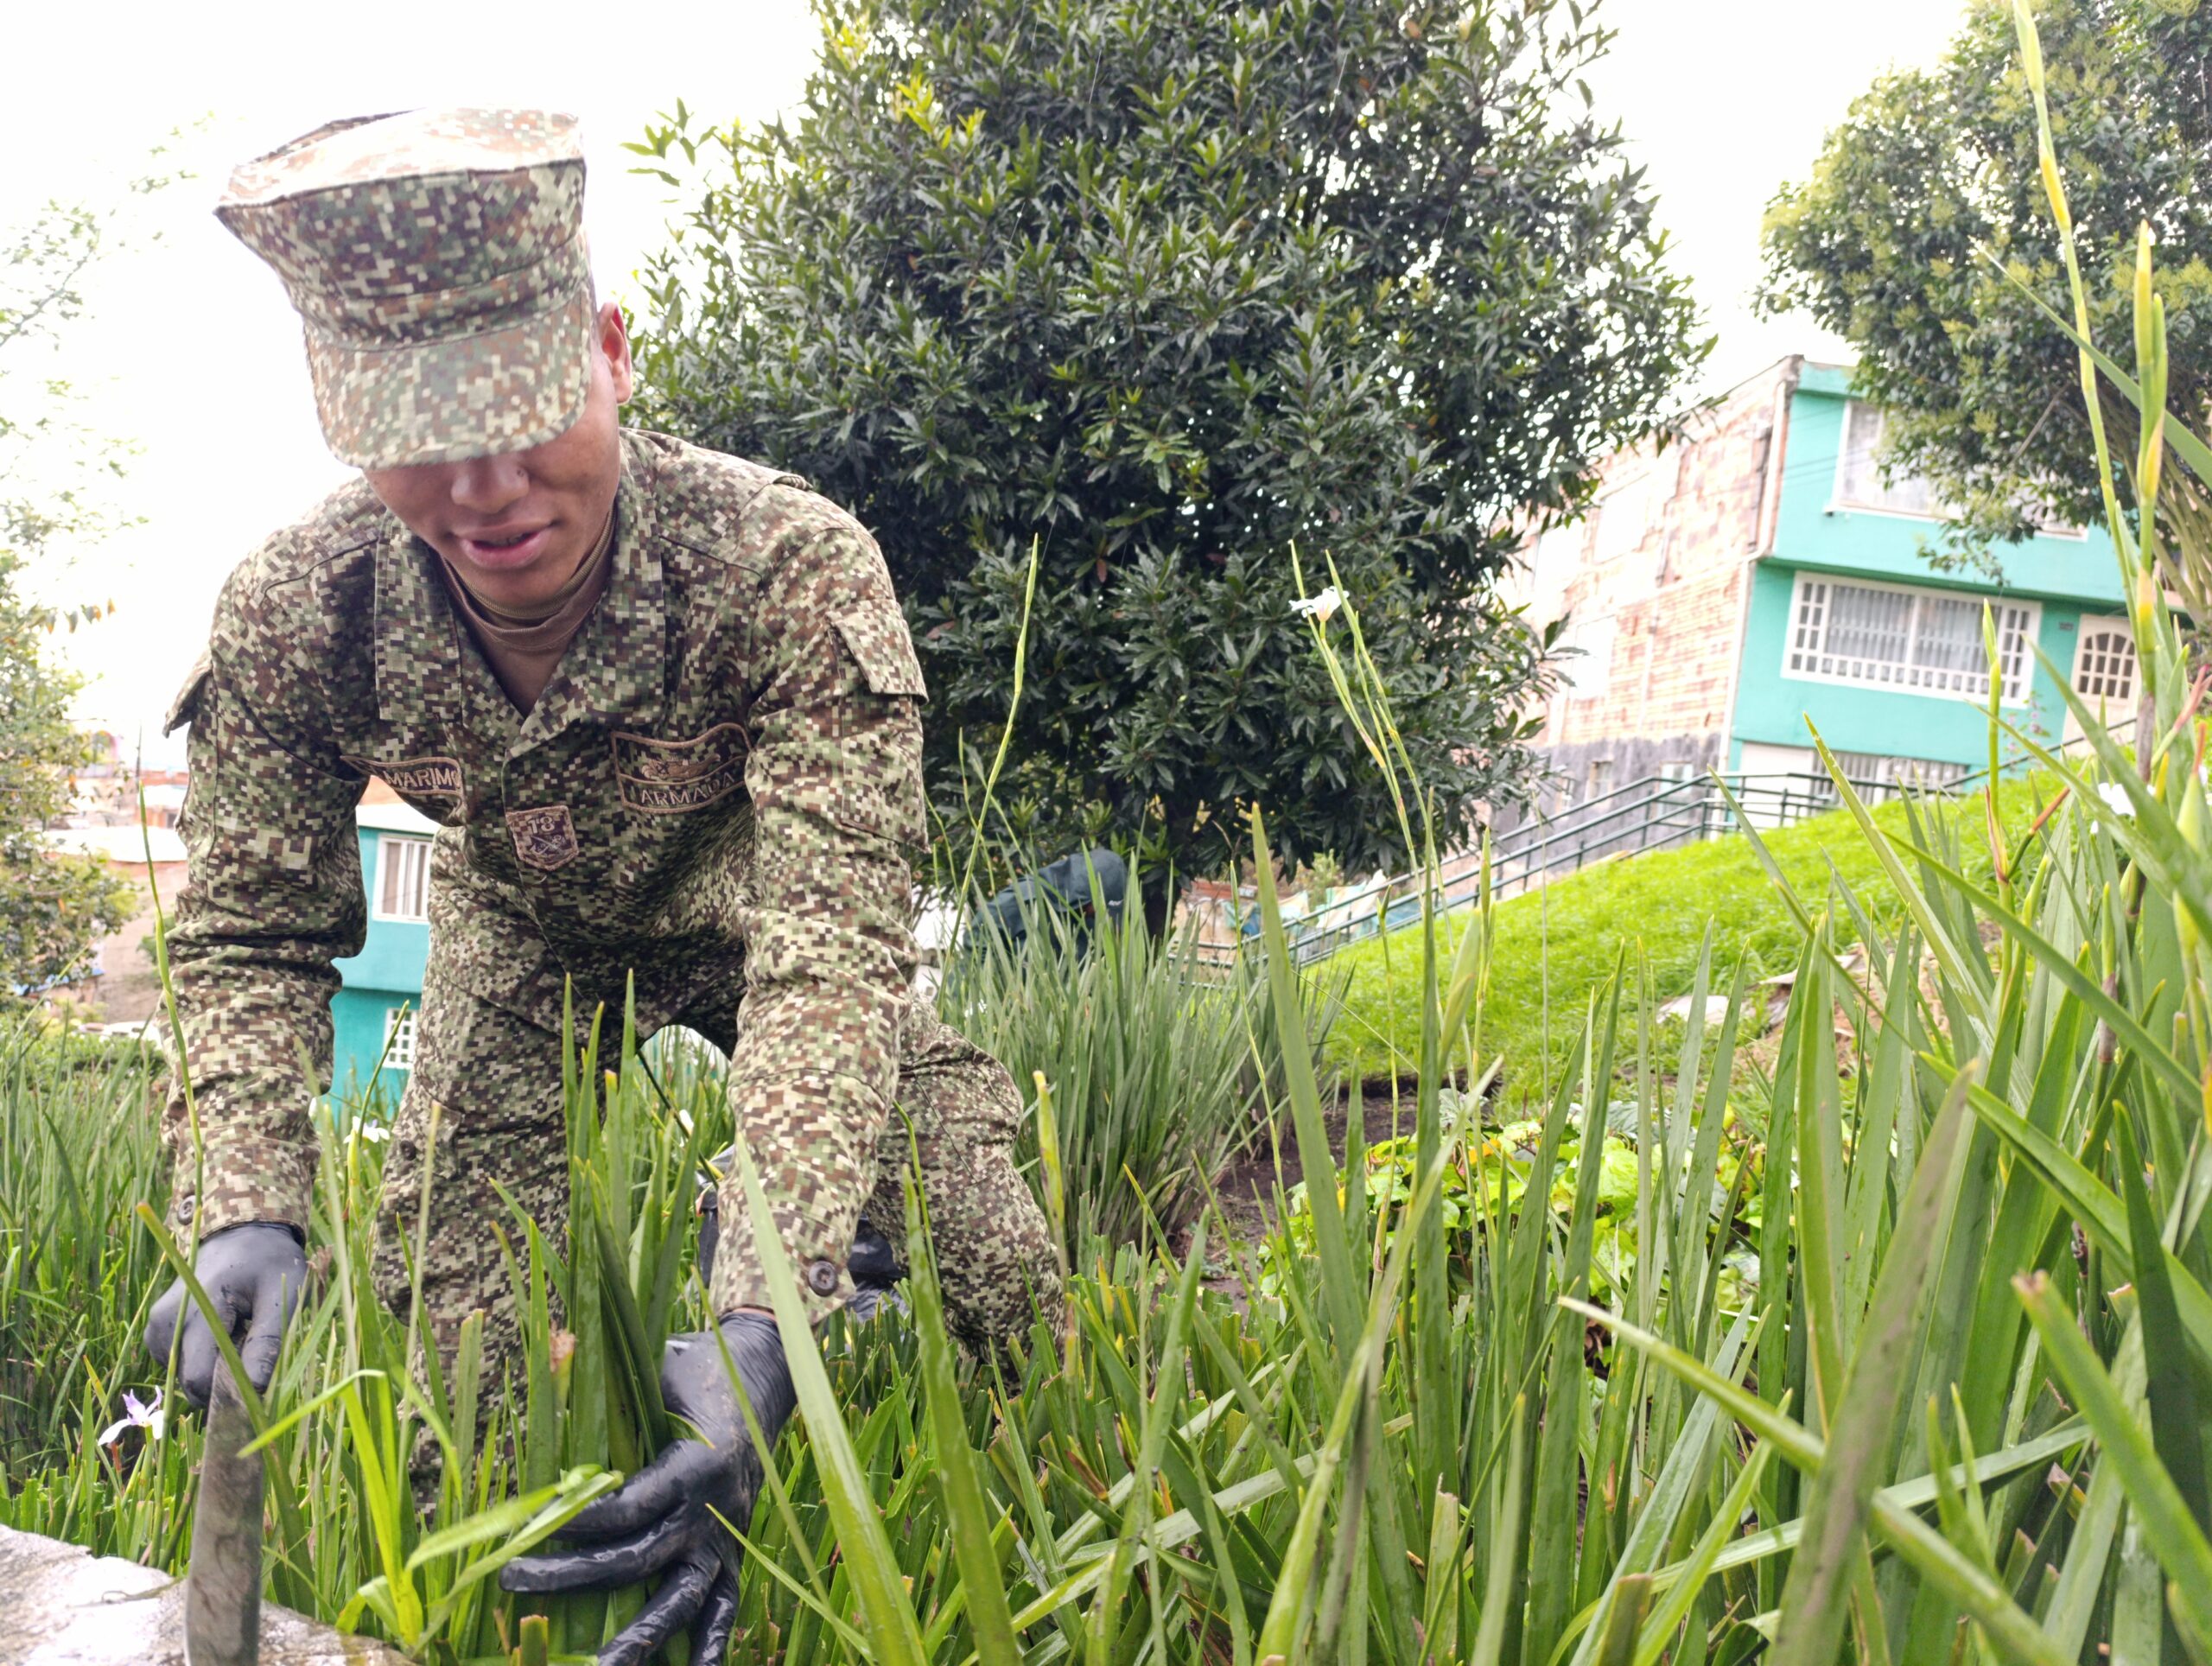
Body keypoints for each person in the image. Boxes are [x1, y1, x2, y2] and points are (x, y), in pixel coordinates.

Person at [139, 108, 1060, 1666]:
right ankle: (538, 1608)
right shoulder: (306, 607)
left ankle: (957, 1470)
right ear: (349, 432)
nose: (487, 487)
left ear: (615, 355)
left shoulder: (784, 564)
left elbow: (832, 957)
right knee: (460, 1363)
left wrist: (771, 1309)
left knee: (999, 1271)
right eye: (422, 442)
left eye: (526, 414)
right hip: (524, 938)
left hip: (756, 918)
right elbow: (249, 930)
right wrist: (245, 1200)